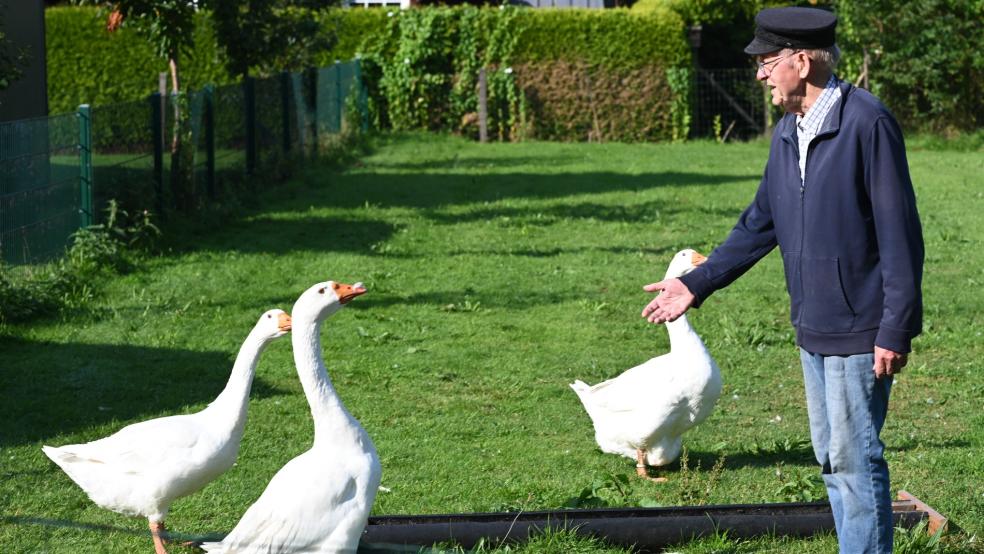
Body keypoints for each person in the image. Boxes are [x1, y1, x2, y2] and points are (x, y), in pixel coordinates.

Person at [640, 6, 923, 553]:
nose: (760, 73)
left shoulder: (868, 123)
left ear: (801, 61)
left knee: (853, 458)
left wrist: (896, 327)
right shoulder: (787, 132)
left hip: (860, 328)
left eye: (768, 62)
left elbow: (901, 234)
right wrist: (697, 284)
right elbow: (759, 223)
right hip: (812, 324)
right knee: (831, 456)